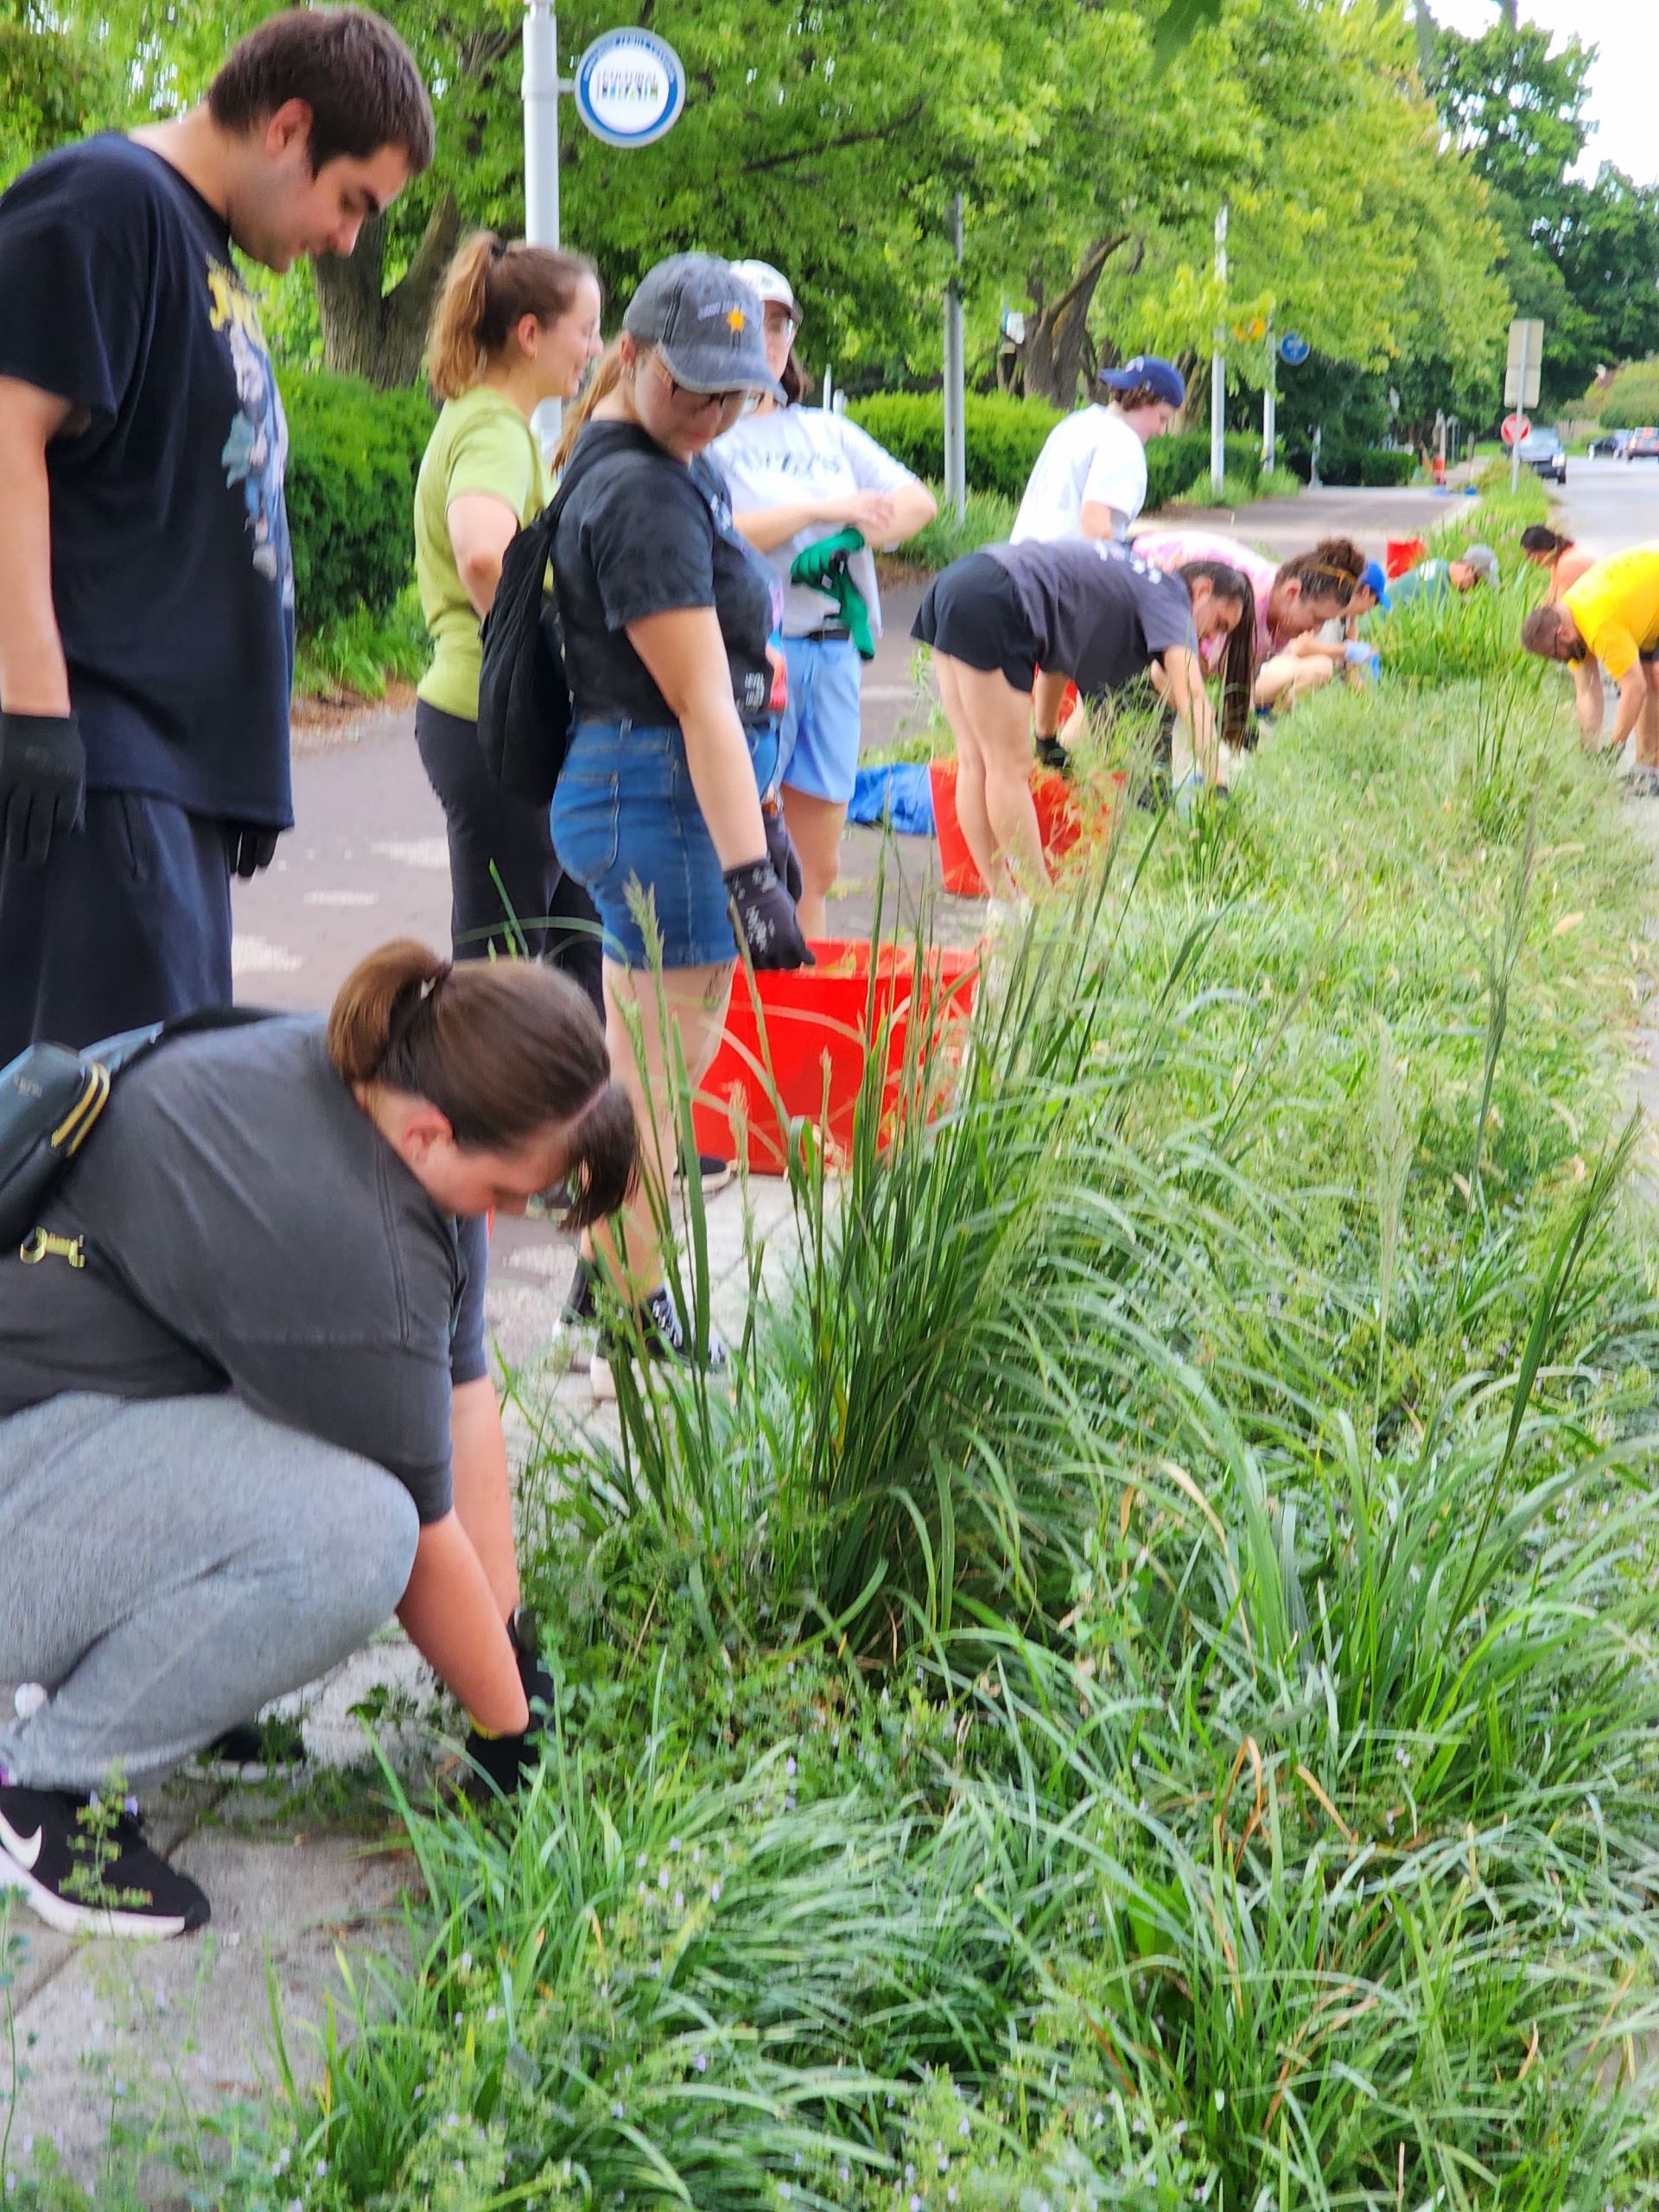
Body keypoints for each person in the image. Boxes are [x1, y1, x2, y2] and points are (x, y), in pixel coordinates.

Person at [0, 941, 636, 1937]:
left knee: (347, 1489)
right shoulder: (343, 1233)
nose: (519, 1216)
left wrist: (510, 1646)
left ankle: (160, 1686)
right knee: (354, 1535)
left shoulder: (379, 1080)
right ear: (432, 1134)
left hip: (58, 1437)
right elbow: (423, 1542)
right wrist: (513, 1737)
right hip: (25, 1486)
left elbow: (464, 1399)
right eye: (518, 1191)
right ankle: (43, 1790)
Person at [0, 8, 434, 1067]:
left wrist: (239, 768)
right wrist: (33, 708)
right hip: (94, 765)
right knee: (87, 1139)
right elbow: (6, 430)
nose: (345, 237)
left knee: (153, 1112)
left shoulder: (199, 240)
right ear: (288, 127)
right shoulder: (105, 204)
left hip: (168, 780)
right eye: (352, 202)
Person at [550, 254, 810, 1400]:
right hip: (660, 796)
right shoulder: (646, 492)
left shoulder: (640, 462)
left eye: (734, 393)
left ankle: (602, 1279)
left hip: (645, 790)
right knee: (661, 1088)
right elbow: (702, 699)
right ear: (632, 355)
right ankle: (632, 1316)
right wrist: (753, 870)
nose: (712, 413)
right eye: (693, 386)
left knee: (633, 1074)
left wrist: (753, 816)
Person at [711, 261, 938, 937]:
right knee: (740, 855)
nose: (767, 335)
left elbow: (916, 500)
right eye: (750, 320)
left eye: (778, 321)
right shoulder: (707, 431)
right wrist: (825, 508)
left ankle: (797, 992)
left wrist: (857, 527)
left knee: (818, 861)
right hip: (752, 656)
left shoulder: (826, 432)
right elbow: (714, 531)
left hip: (832, 654)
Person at [413, 232, 605, 1003]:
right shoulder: (494, 429)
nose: (595, 348)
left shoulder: (487, 422)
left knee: (556, 974)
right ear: (530, 333)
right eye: (585, 329)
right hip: (491, 724)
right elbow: (483, 555)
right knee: (504, 990)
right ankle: (473, 1122)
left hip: (486, 725)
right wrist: (544, 666)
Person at [912, 540, 1255, 893]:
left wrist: (1046, 737)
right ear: (1202, 590)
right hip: (1000, 597)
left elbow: (1058, 660)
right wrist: (1218, 786)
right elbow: (1195, 699)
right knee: (1007, 766)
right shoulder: (1170, 599)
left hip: (963, 578)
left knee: (975, 761)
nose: (1211, 638)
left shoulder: (1127, 584)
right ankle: (1041, 909)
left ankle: (1004, 902)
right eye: (1219, 624)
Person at [1131, 529, 1367, 711]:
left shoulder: (1281, 618)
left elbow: (1239, 684)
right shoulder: (1250, 595)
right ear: (1292, 592)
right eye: (1316, 618)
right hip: (1134, 576)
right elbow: (1190, 666)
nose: (1317, 628)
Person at [1522, 543, 1659, 785]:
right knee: (1650, 681)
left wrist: (1614, 747)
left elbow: (1632, 688)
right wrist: (1590, 752)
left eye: (1554, 654)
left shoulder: (1597, 624)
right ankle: (1647, 771)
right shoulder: (1571, 626)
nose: (1559, 660)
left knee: (1652, 678)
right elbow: (1587, 692)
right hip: (1646, 609)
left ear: (1562, 634)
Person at [1011, 355, 1185, 546]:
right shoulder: (1123, 441)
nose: (1161, 432)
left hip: (1023, 560)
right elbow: (1096, 526)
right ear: (1144, 399)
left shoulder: (1076, 423)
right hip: (1061, 570)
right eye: (1163, 418)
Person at [1521, 525, 1603, 741]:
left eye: (1530, 554)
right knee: (1586, 686)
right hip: (1585, 624)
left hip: (1583, 629)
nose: (1529, 560)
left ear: (1542, 549)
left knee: (1587, 686)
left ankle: (1589, 743)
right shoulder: (1560, 560)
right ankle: (1589, 741)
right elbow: (1550, 598)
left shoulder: (1569, 564)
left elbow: (1561, 610)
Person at [1387, 543, 1499, 606]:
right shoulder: (1435, 578)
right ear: (1467, 570)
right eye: (1476, 583)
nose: (1472, 589)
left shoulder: (1441, 569)